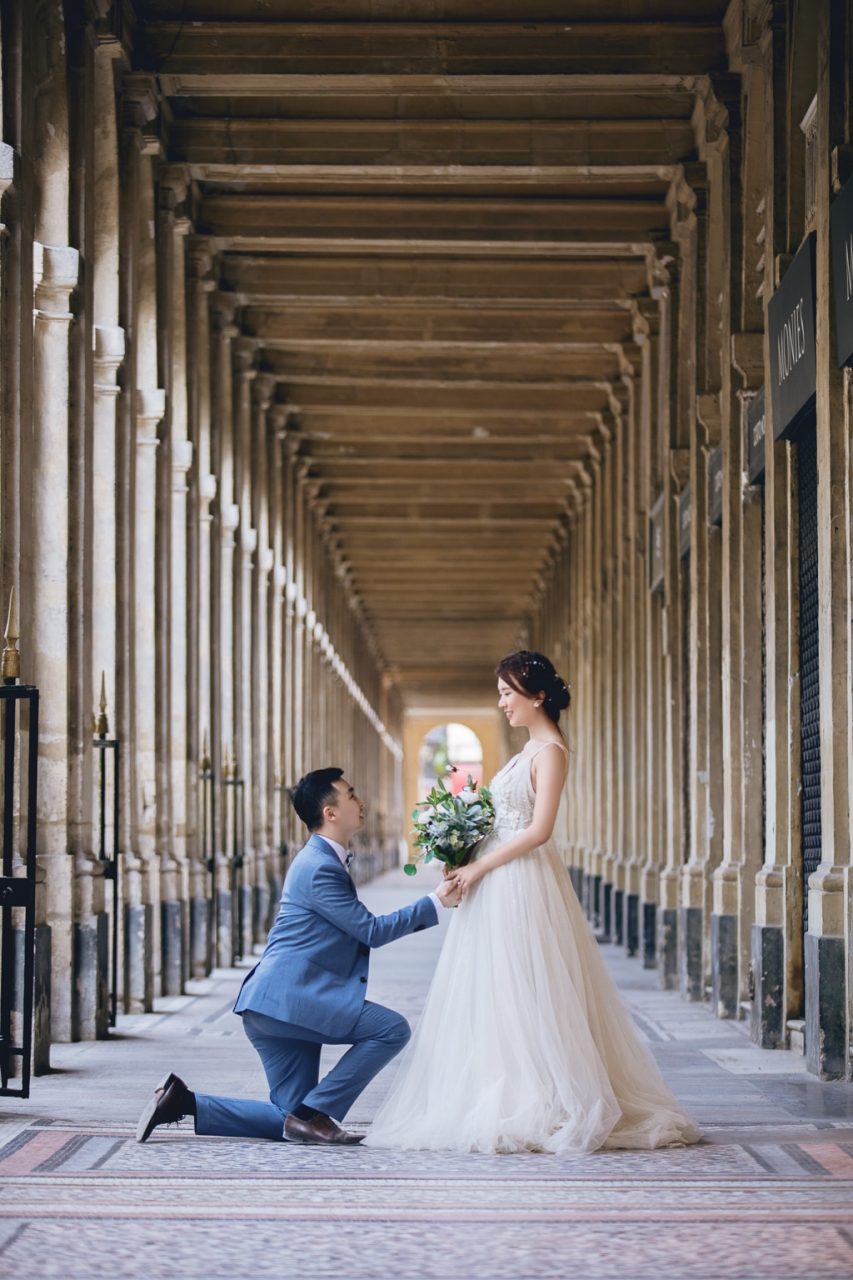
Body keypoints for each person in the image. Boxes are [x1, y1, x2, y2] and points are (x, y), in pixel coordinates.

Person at [365, 650, 701, 1155]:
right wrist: (460, 853)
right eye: (499, 693)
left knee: (528, 984)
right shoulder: (524, 753)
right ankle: (500, 1092)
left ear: (537, 695)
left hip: (522, 883)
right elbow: (498, 822)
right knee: (496, 987)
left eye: (507, 693)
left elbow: (540, 830)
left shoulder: (550, 752)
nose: (501, 703)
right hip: (496, 880)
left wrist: (481, 865)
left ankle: (544, 1098)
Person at [136, 767, 461, 1147]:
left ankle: (182, 1102)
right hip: (292, 1001)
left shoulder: (322, 858)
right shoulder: (319, 865)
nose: (361, 801)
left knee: (287, 1120)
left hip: (273, 1006)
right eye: (351, 793)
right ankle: (313, 1114)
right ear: (331, 812)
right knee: (391, 1029)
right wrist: (435, 901)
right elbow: (370, 931)